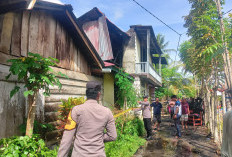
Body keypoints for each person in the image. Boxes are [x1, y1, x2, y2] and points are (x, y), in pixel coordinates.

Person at [58, 81, 117, 157]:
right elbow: (113, 136)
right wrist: (98, 137)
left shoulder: (76, 110)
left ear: (86, 94)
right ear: (98, 95)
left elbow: (67, 139)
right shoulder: (107, 112)